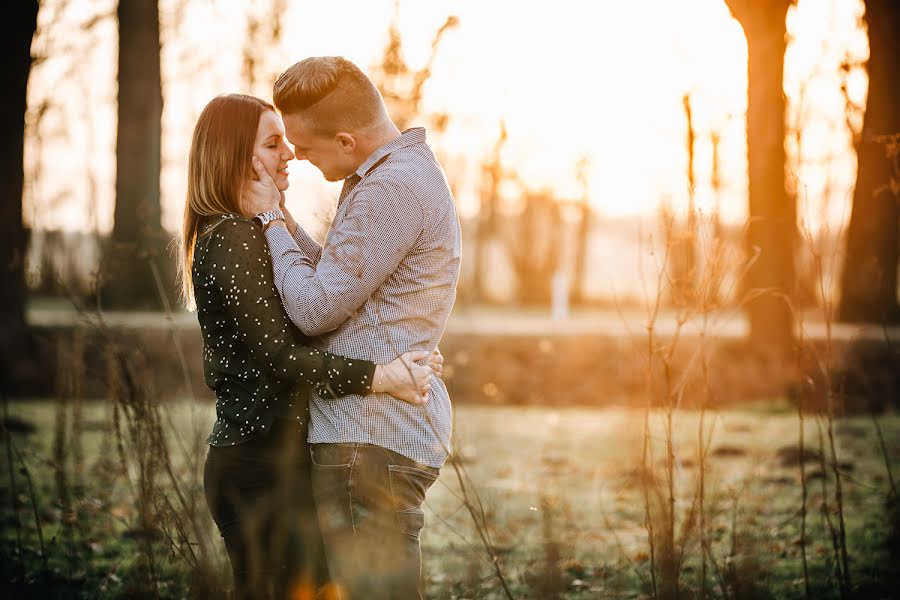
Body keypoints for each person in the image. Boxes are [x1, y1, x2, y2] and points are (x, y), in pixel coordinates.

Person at [179, 93, 440, 600]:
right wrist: (379, 375)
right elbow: (281, 357)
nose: (290, 154)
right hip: (258, 468)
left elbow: (325, 295)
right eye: (273, 144)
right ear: (237, 156)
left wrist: (400, 345)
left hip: (282, 462)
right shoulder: (233, 236)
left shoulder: (252, 232)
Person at [243, 57, 461, 600]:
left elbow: (315, 308)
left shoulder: (392, 189)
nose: (297, 156)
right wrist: (289, 224)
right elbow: (343, 281)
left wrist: (270, 221)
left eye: (306, 147)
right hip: (372, 438)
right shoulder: (393, 176)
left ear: (345, 140)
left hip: (367, 439)